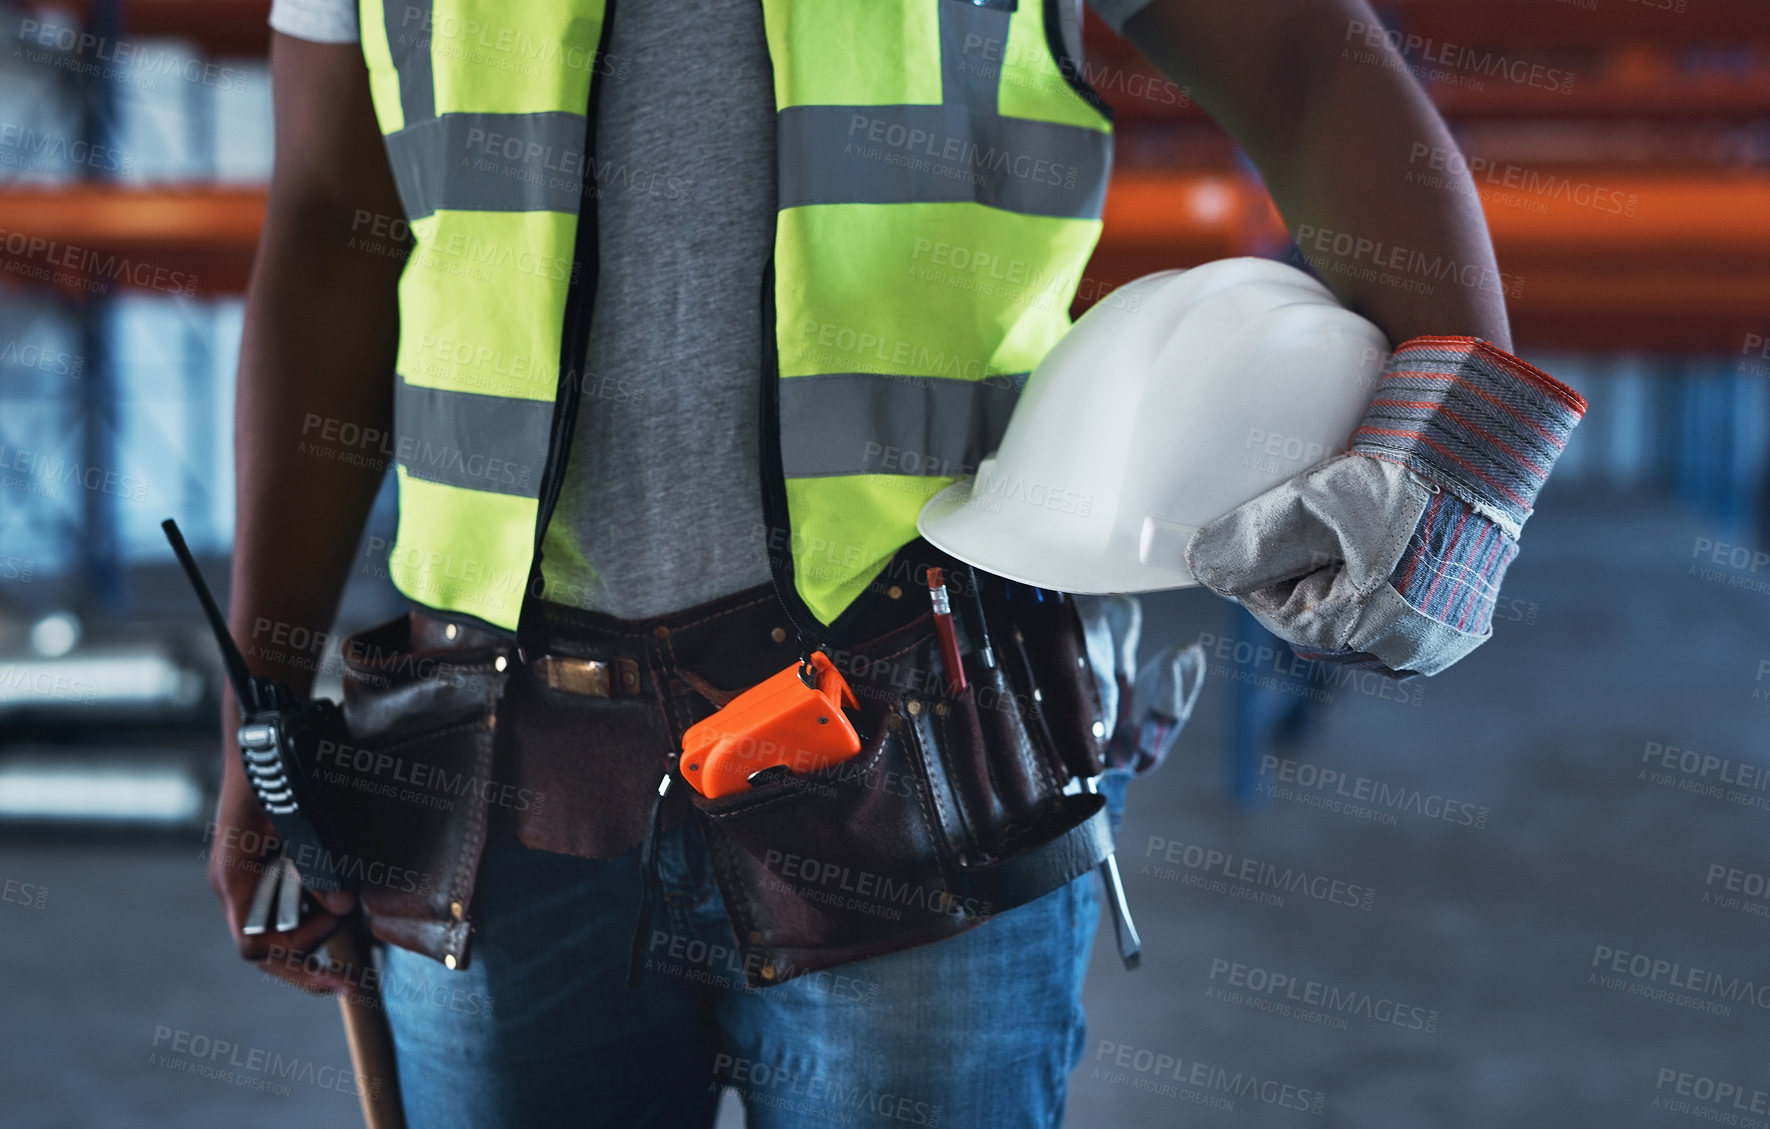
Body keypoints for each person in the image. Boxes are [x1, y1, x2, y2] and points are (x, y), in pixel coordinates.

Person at [211, 1, 1537, 1125]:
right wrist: (257, 703)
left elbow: (1305, 62)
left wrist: (1456, 460)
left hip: (928, 735)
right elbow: (335, 217)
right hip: (495, 768)